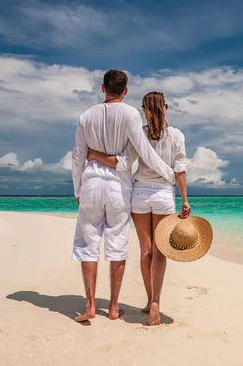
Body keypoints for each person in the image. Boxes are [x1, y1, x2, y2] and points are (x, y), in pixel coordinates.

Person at [71, 71, 176, 323]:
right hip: (119, 188)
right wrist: (170, 175)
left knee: (88, 244)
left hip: (91, 184)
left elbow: (77, 157)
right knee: (117, 243)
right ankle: (115, 307)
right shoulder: (130, 114)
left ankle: (90, 305)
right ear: (126, 91)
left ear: (103, 87)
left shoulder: (86, 116)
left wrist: (77, 189)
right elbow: (140, 155)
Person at [88, 91, 190, 326]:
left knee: (146, 250)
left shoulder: (139, 134)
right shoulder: (176, 135)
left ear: (144, 111)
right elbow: (180, 171)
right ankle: (155, 301)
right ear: (165, 108)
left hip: (140, 195)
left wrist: (96, 155)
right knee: (160, 251)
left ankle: (147, 301)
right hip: (164, 195)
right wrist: (184, 200)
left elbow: (123, 163)